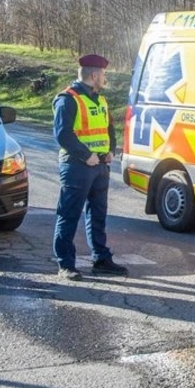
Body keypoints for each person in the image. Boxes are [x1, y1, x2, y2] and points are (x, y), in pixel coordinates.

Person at [52, 54, 128, 280]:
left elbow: (108, 128)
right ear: (94, 75)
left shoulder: (100, 100)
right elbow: (63, 134)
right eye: (103, 74)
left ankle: (101, 259)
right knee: (69, 215)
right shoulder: (68, 99)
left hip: (100, 166)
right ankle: (65, 264)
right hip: (77, 166)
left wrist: (111, 150)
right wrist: (87, 156)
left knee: (98, 215)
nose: (105, 78)